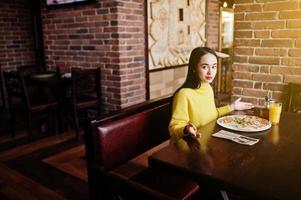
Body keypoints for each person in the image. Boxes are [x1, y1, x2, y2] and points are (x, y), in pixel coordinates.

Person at [169, 47, 254, 143]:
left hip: (206, 142)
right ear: (194, 67)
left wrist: (232, 107)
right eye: (204, 67)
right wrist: (186, 129)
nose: (210, 72)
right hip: (188, 148)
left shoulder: (208, 88)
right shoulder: (184, 94)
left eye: (214, 66)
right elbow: (175, 128)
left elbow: (212, 114)